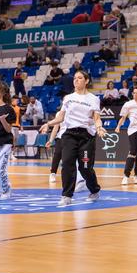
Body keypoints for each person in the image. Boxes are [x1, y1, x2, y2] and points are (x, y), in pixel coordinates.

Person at [40, 71, 107, 207]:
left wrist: (99, 128)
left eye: (80, 78)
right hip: (69, 135)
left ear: (86, 81)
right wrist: (48, 123)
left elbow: (96, 118)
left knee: (85, 168)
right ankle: (66, 195)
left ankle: (94, 190)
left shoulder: (93, 99)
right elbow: (61, 118)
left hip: (86, 136)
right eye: (75, 78)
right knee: (67, 164)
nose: (76, 80)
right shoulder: (68, 98)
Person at [46, 122, 87, 192]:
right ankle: (53, 173)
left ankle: (81, 180)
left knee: (80, 160)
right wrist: (50, 140)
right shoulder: (60, 113)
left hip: (76, 138)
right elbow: (56, 127)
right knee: (61, 158)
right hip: (62, 138)